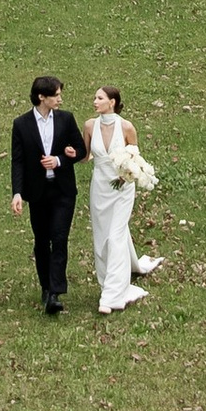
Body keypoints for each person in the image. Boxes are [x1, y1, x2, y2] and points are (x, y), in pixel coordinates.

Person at [9, 74, 86, 315]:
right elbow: (18, 161)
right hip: (38, 192)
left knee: (60, 237)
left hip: (62, 191)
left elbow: (81, 150)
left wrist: (62, 159)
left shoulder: (66, 119)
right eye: (56, 95)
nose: (60, 99)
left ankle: (55, 292)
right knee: (42, 241)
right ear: (42, 97)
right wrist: (17, 193)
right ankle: (45, 286)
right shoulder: (21, 124)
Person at [88, 85, 150, 315]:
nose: (95, 101)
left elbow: (135, 158)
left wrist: (127, 175)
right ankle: (107, 280)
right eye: (95, 98)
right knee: (102, 236)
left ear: (112, 102)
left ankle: (112, 295)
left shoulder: (126, 127)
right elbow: (85, 156)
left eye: (100, 98)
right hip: (100, 188)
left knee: (115, 236)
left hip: (122, 189)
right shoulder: (89, 126)